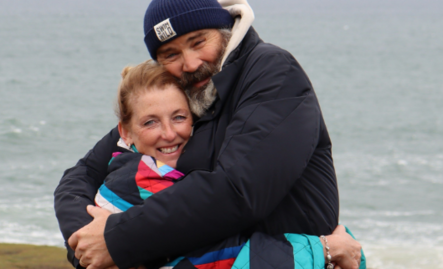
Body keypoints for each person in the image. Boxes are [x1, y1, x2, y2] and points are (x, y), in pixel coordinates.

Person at [54, 0, 363, 268]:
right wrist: (88, 246)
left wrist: (117, 240)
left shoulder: (272, 72)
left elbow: (239, 190)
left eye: (199, 42)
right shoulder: (183, 96)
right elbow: (81, 175)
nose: (190, 64)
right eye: (171, 54)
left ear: (225, 30)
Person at [94, 60, 362, 269]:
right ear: (125, 133)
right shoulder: (136, 179)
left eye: (178, 117)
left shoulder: (168, 173)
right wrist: (325, 249)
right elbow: (222, 257)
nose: (169, 133)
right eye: (150, 122)